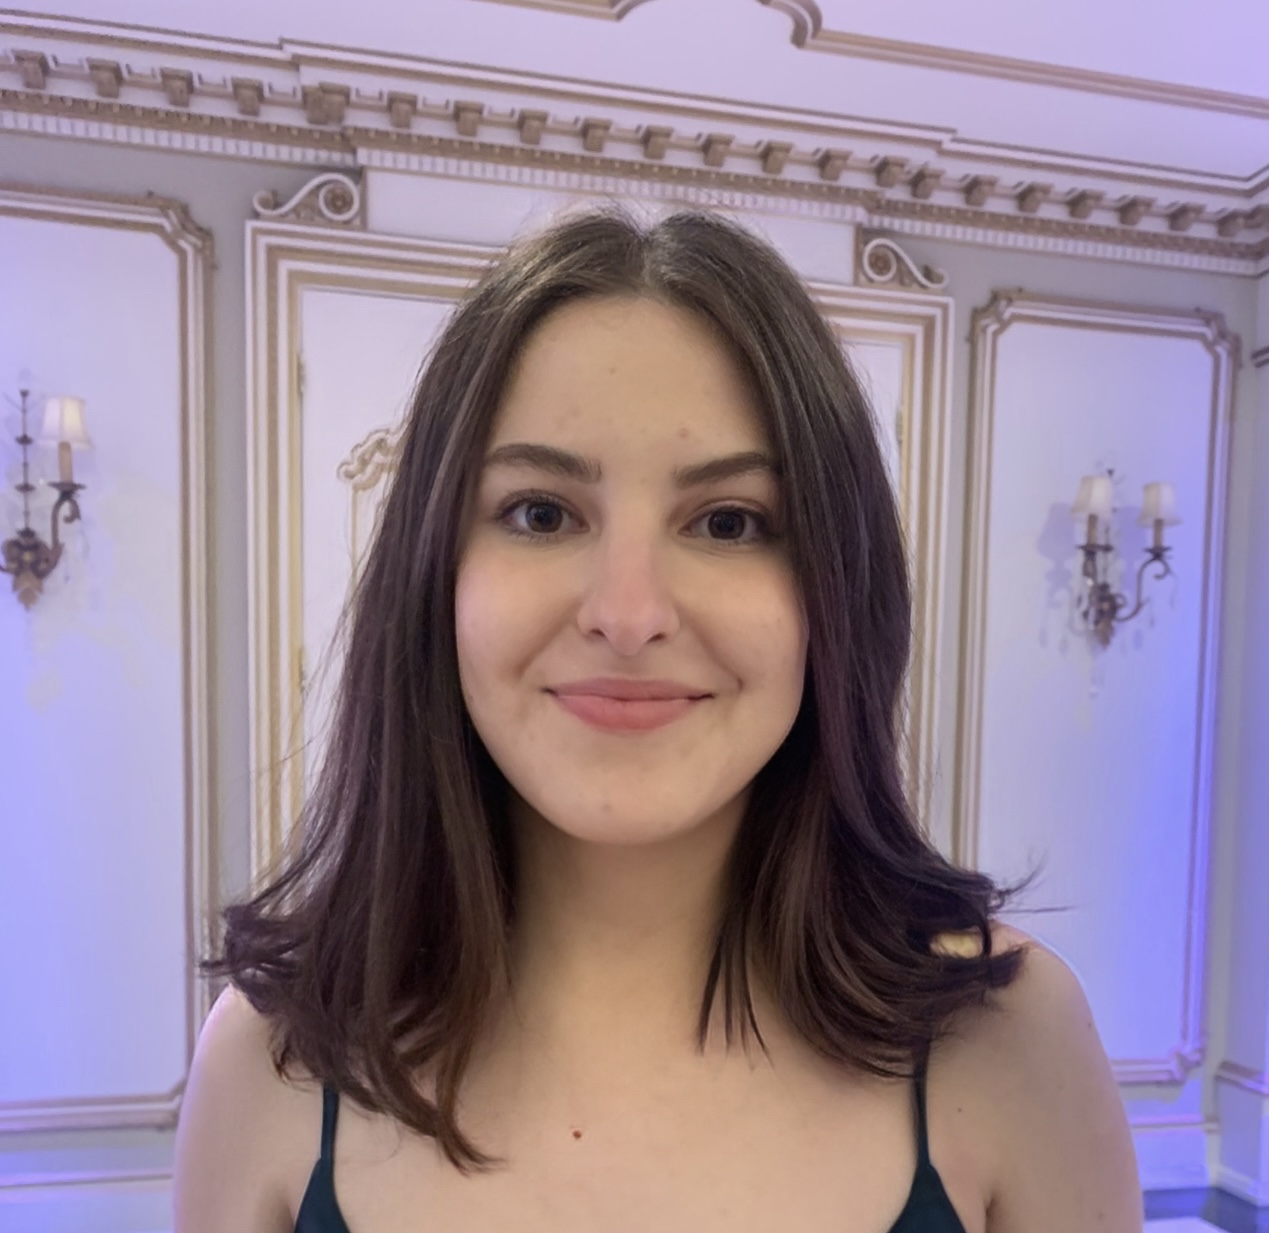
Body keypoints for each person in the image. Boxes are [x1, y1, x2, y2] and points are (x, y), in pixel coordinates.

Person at [173, 206, 1143, 1233]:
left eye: (728, 522)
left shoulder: (1011, 1040)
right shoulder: (269, 1062)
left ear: (835, 593)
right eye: (541, 512)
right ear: (434, 576)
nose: (628, 614)